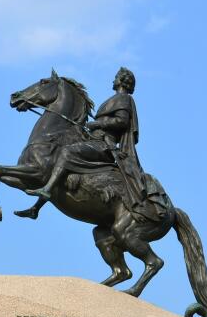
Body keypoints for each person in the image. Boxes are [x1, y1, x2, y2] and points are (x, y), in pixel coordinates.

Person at [24, 67, 164, 222]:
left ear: (122, 80)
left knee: (67, 152)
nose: (113, 80)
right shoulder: (115, 99)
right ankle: (36, 207)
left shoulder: (124, 98)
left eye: (116, 77)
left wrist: (97, 124)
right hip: (96, 139)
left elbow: (122, 121)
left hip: (105, 144)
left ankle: (47, 189)